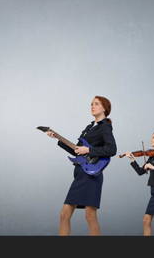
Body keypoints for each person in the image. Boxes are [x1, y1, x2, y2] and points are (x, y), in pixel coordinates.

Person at [46, 96, 117, 235]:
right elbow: (76, 150)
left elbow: (111, 150)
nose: (92, 106)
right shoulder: (89, 127)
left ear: (104, 108)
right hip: (80, 174)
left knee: (89, 216)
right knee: (64, 215)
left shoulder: (105, 127)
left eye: (96, 104)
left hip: (91, 175)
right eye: (91, 104)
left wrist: (89, 150)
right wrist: (57, 138)